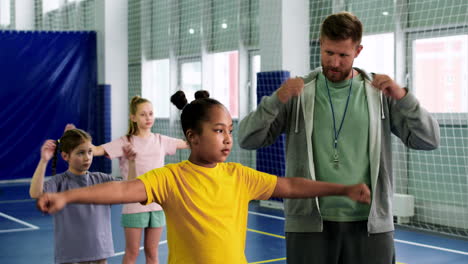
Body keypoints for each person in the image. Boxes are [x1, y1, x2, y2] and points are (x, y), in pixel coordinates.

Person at [36, 91, 371, 264]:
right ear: (192, 137)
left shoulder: (239, 176)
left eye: (229, 130)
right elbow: (122, 190)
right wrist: (67, 196)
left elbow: (291, 185)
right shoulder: (171, 178)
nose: (227, 138)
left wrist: (342, 188)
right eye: (218, 130)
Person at [237, 11, 440, 264]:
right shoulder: (299, 93)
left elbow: (429, 139)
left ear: (358, 51)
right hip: (309, 225)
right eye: (328, 53)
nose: (334, 63)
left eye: (343, 55)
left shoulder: (379, 94)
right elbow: (246, 138)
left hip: (370, 224)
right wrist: (275, 100)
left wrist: (404, 97)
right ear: (320, 44)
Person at [91, 95, 188, 264]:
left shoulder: (161, 140)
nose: (148, 117)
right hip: (134, 205)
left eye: (150, 113)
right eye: (143, 114)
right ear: (133, 117)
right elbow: (96, 150)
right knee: (132, 252)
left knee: (152, 252)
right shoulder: (125, 141)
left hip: (158, 204)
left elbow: (189, 143)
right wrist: (77, 140)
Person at [29, 128, 134, 264]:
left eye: (90, 152)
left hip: (99, 253)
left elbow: (129, 190)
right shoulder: (59, 182)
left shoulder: (101, 179)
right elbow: (35, 193)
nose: (87, 157)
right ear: (65, 156)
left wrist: (131, 162)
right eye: (81, 153)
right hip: (71, 256)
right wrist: (43, 161)